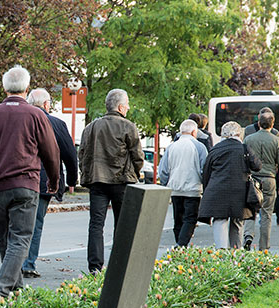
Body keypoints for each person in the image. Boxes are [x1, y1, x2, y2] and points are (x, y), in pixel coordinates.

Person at [0, 70, 60, 303]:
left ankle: (16, 288)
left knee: (5, 237)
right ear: (26, 89)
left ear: (4, 88)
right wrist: (54, 179)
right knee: (20, 238)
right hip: (26, 184)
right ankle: (2, 289)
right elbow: (51, 151)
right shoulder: (36, 115)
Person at [78, 88, 144, 273]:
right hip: (121, 181)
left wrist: (86, 174)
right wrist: (135, 174)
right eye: (128, 104)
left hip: (97, 181)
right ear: (121, 107)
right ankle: (119, 264)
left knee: (96, 224)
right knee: (121, 224)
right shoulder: (128, 126)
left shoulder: (90, 127)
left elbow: (82, 154)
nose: (129, 107)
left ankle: (95, 266)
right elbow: (137, 156)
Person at [19, 88, 79, 278]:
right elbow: (70, 155)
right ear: (46, 104)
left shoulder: (20, 121)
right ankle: (28, 264)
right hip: (44, 182)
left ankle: (13, 262)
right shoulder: (56, 123)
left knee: (17, 223)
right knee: (35, 223)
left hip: (18, 179)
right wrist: (70, 181)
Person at [199, 121, 262, 249]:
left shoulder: (215, 149)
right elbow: (257, 166)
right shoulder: (244, 148)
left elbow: (206, 173)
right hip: (239, 190)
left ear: (223, 134)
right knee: (237, 221)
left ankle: (221, 251)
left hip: (217, 190)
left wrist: (207, 190)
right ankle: (236, 251)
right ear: (239, 134)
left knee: (219, 220)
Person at [158, 119, 208, 248]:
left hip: (175, 188)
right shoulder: (199, 147)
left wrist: (166, 184)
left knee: (178, 220)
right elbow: (205, 169)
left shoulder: (171, 147)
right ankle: (181, 245)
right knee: (190, 219)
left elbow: (163, 170)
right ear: (193, 132)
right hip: (193, 189)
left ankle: (179, 244)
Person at [242, 111, 279, 251]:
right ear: (272, 124)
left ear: (259, 123)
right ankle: (263, 247)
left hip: (252, 179)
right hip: (269, 179)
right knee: (266, 214)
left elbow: (243, 159)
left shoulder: (248, 139)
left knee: (250, 210)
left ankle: (248, 235)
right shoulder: (276, 141)